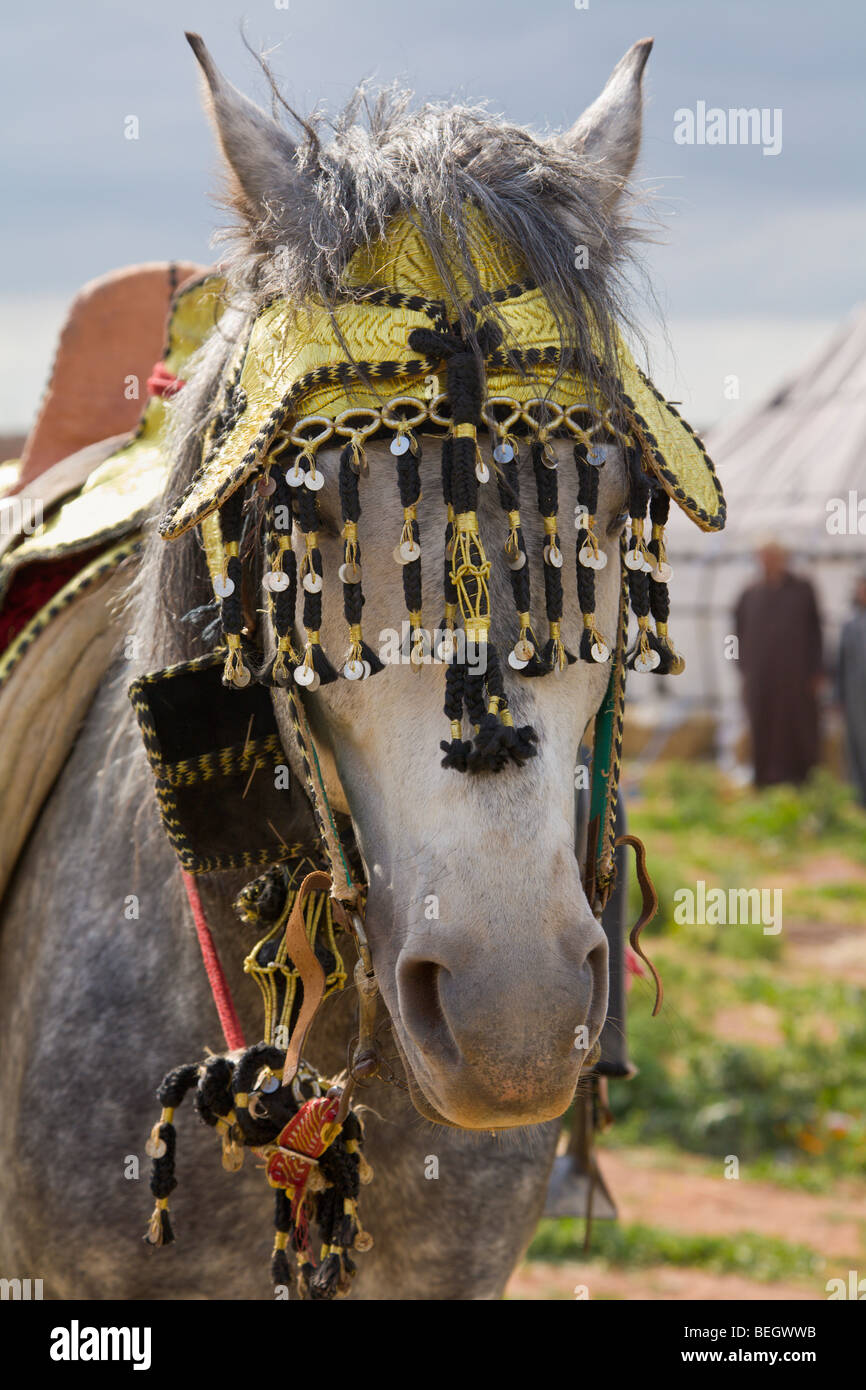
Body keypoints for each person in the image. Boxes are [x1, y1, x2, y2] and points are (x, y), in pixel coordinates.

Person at [734, 541, 823, 787]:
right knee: (763, 725)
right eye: (764, 557)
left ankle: (803, 781)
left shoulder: (802, 589)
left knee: (799, 726)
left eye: (773, 556)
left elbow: (816, 631)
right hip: (761, 677)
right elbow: (735, 634)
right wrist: (742, 667)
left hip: (797, 676)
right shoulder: (749, 593)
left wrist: (817, 670)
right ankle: (764, 781)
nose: (768, 561)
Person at [836, 573, 866, 805]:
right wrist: (838, 697)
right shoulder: (850, 625)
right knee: (856, 746)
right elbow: (841, 664)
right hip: (856, 698)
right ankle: (859, 800)